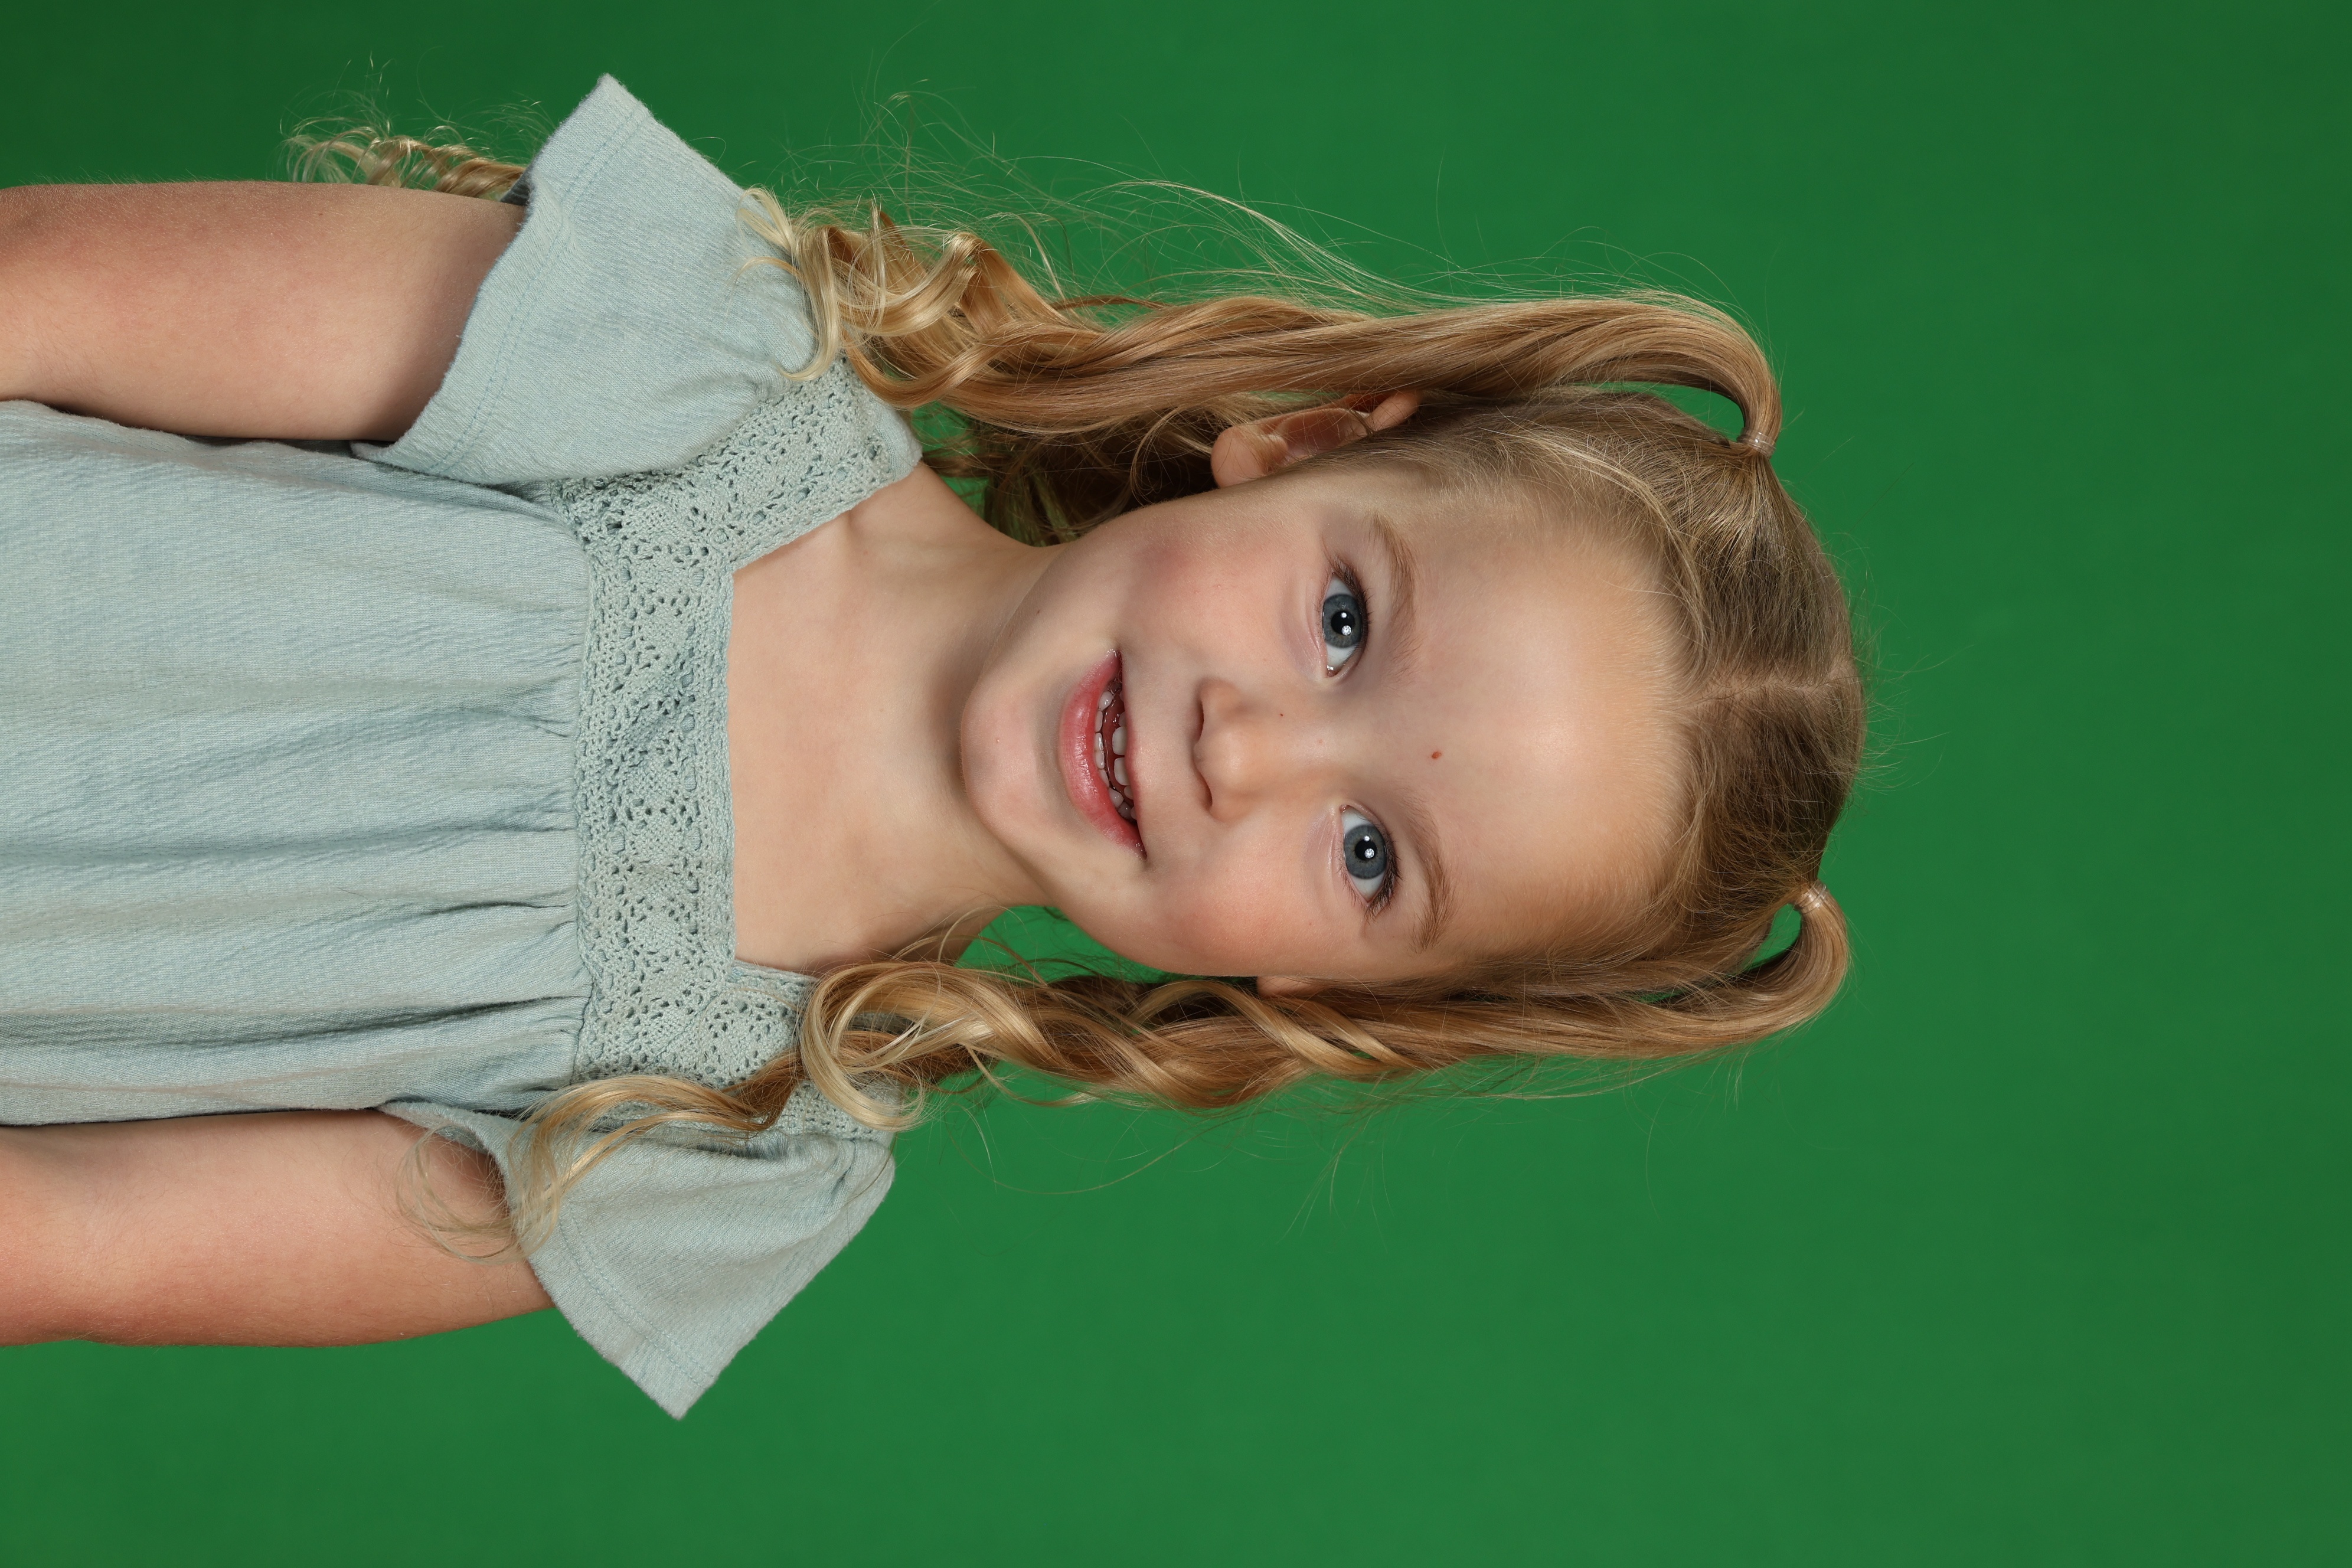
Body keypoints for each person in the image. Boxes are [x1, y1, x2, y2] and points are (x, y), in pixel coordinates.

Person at [0, 76, 1863, 1416]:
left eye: (1369, 854)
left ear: (1315, 983)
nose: (1245, 752)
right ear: (1300, 447)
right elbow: (44, 285)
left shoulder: (723, 1148)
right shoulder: (697, 365)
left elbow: (78, 1239)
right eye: (1344, 623)